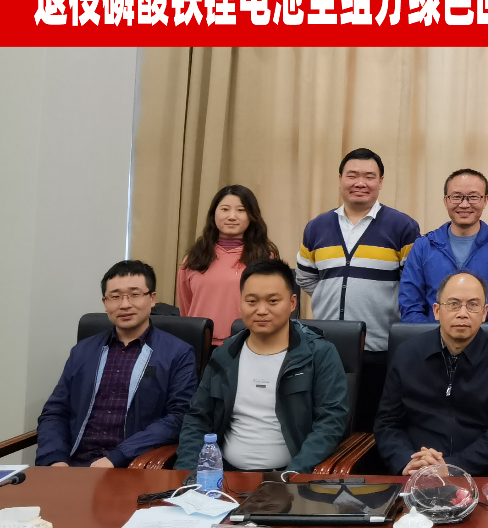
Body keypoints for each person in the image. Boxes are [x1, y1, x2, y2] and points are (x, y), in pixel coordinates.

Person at [176, 259, 349, 473]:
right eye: (251, 301)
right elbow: (197, 418)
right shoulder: (225, 354)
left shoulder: (319, 354)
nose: (261, 310)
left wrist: (293, 475)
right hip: (223, 476)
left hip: (288, 476)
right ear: (241, 302)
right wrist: (186, 474)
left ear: (292, 303)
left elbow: (331, 422)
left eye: (273, 301)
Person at [296, 148, 419, 432]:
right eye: (352, 175)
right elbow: (306, 278)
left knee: (370, 424)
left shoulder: (403, 227)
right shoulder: (317, 227)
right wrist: (331, 295)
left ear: (381, 181)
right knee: (325, 421)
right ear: (340, 178)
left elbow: (412, 285)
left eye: (369, 176)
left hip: (379, 346)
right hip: (325, 345)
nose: (360, 182)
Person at [36, 261, 198, 468]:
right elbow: (56, 411)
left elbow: (179, 417)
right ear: (105, 303)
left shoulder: (178, 353)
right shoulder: (83, 351)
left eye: (134, 294)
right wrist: (55, 459)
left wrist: (117, 457)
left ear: (152, 299)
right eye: (115, 296)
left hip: (130, 465)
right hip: (73, 465)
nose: (124, 305)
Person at [376, 271, 488, 476]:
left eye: (473, 305)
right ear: (436, 311)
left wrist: (451, 468)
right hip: (413, 470)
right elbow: (387, 423)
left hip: (473, 475)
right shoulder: (407, 354)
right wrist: (407, 462)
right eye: (453, 304)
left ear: (484, 312)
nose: (462, 313)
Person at [399, 169, 488, 323]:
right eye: (457, 197)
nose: (464, 204)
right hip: (431, 336)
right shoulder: (423, 246)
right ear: (446, 201)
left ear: (485, 200)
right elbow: (410, 306)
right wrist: (435, 337)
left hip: (487, 337)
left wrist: (481, 337)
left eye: (473, 197)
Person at [178, 185, 280, 345]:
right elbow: (186, 306)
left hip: (247, 343)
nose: (232, 216)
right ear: (213, 214)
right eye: (225, 209)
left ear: (251, 215)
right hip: (199, 343)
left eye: (241, 210)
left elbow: (271, 305)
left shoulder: (265, 258)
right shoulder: (194, 258)